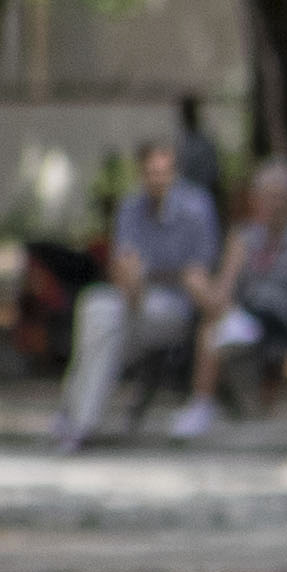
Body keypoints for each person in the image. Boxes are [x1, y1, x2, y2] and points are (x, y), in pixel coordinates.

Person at [49, 141, 218, 453]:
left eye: (164, 172)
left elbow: (198, 274)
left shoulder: (196, 207)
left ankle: (71, 415)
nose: (158, 179)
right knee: (96, 307)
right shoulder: (130, 208)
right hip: (133, 304)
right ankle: (80, 423)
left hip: (175, 307)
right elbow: (124, 268)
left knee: (103, 323)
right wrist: (134, 281)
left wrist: (154, 275)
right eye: (152, 173)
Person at [176, 160, 287, 436]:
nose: (274, 204)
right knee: (199, 287)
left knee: (212, 328)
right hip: (246, 311)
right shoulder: (244, 235)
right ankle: (204, 400)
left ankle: (202, 403)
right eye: (267, 197)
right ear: (256, 200)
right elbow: (225, 286)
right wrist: (202, 288)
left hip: (285, 316)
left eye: (280, 197)